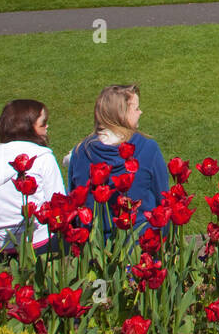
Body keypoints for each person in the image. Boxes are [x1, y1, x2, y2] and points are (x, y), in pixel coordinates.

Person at [66, 84, 169, 241]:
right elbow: (163, 199)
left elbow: (73, 202)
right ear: (122, 114)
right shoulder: (148, 148)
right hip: (141, 245)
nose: (140, 112)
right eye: (136, 109)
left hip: (93, 244)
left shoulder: (80, 152)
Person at [0, 98, 66, 257]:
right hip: (42, 241)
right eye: (43, 123)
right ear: (28, 128)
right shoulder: (42, 157)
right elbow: (58, 201)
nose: (47, 127)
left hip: (5, 246)